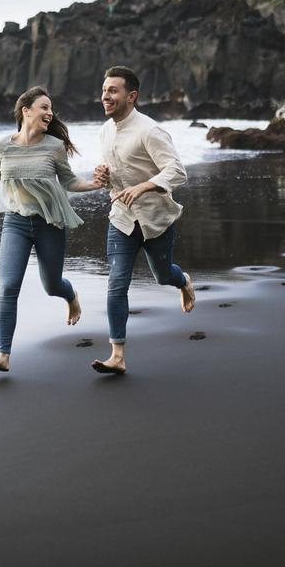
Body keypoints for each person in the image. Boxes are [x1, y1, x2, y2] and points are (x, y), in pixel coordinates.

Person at [0, 86, 107, 373]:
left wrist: (93, 183)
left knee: (51, 285)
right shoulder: (2, 145)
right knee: (7, 286)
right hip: (15, 221)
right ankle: (3, 354)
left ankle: (71, 297)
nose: (49, 112)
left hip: (49, 223)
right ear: (25, 110)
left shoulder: (53, 146)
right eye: (44, 107)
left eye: (51, 108)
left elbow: (68, 181)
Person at [91, 66, 195, 376]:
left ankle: (184, 281)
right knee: (116, 283)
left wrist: (144, 185)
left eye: (113, 91)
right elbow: (114, 175)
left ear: (131, 96)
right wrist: (103, 176)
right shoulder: (105, 131)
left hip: (154, 219)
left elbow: (177, 172)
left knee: (163, 275)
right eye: (104, 90)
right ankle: (117, 354)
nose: (106, 96)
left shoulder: (150, 130)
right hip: (121, 219)